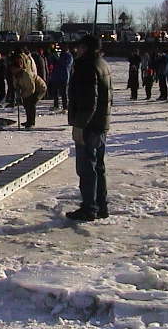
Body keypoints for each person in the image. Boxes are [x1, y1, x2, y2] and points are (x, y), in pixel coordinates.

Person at [66, 34, 113, 222]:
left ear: (85, 47)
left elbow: (88, 101)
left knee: (87, 168)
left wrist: (79, 125)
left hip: (89, 125)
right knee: (98, 167)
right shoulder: (103, 63)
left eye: (79, 47)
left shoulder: (86, 66)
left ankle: (89, 208)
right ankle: (101, 205)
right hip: (101, 123)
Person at [12, 53, 47, 128]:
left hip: (40, 89)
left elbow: (31, 88)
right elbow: (16, 85)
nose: (13, 71)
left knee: (31, 103)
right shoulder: (16, 75)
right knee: (26, 104)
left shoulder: (26, 74)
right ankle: (28, 120)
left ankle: (31, 122)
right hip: (28, 90)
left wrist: (23, 95)